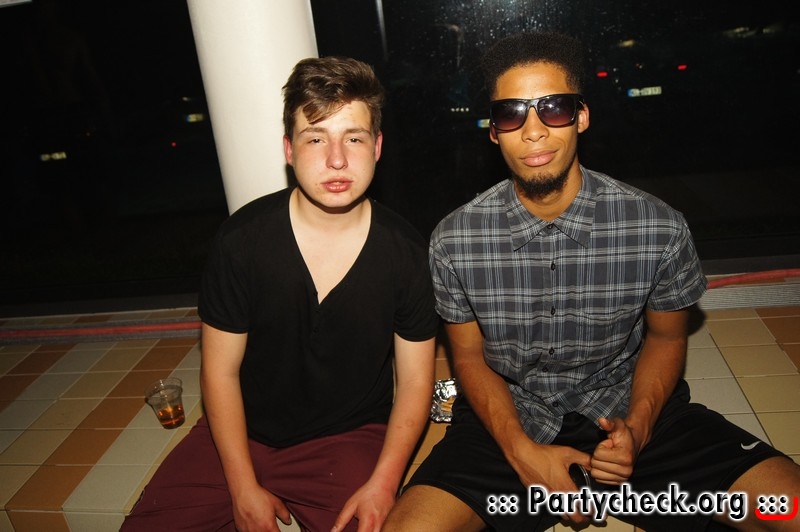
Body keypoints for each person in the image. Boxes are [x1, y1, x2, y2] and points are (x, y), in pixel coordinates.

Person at [383, 31, 800, 531]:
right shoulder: (455, 239)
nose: (533, 131)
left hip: (628, 406)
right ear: (493, 131)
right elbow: (469, 357)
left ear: (581, 116)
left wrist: (638, 431)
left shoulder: (657, 227)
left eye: (553, 108)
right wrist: (522, 454)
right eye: (512, 114)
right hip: (511, 415)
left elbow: (668, 339)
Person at [122, 56, 439, 532]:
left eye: (353, 138)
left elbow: (415, 383)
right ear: (289, 149)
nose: (337, 159)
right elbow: (220, 371)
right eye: (316, 138)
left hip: (345, 437)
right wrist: (241, 487)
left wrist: (384, 483)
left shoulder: (407, 254)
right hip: (240, 430)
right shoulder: (242, 241)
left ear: (377, 147)